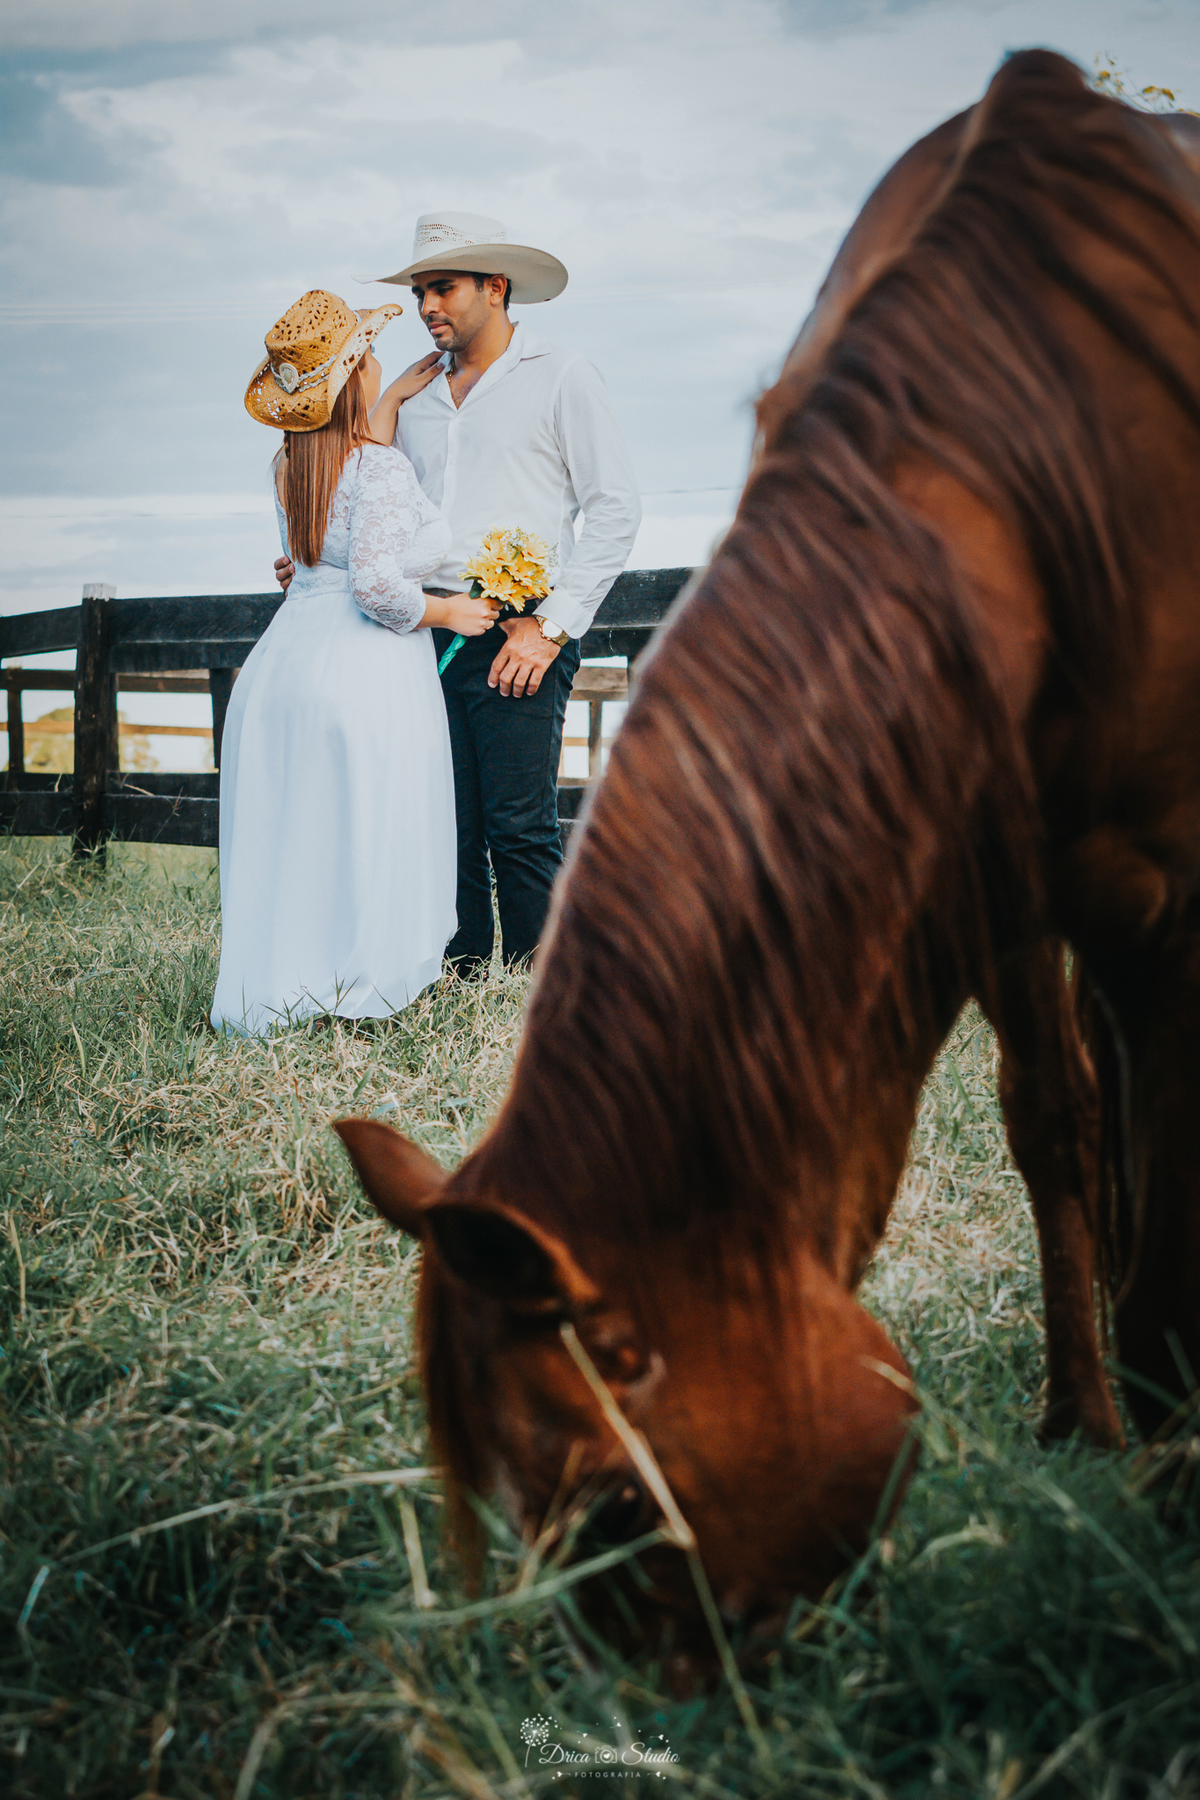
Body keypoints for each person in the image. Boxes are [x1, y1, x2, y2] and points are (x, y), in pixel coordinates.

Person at [275, 211, 642, 974]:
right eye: (418, 293)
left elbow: (614, 509)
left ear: (495, 288)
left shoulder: (562, 375)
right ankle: (459, 973)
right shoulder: (410, 395)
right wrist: (322, 566)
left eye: (441, 288)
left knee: (519, 823)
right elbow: (372, 506)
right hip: (415, 630)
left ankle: (536, 984)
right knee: (443, 818)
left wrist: (551, 627)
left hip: (520, 629)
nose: (427, 308)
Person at [213, 289, 497, 1034]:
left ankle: (276, 990)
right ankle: (361, 984)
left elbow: (328, 552)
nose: (377, 366)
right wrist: (448, 611)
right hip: (362, 666)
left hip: (283, 663)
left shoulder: (287, 462)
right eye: (368, 358)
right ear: (353, 377)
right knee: (372, 822)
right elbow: (373, 585)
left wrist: (399, 393)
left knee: (300, 831)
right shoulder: (381, 471)